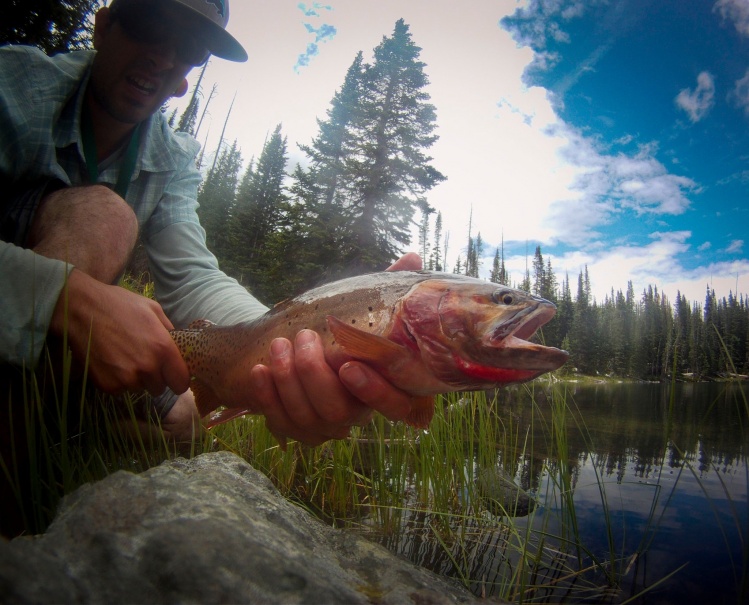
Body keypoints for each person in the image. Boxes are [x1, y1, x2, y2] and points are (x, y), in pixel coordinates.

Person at [0, 0, 419, 451]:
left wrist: (284, 341)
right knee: (103, 218)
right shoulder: (15, 85)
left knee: (182, 423)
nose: (162, 56)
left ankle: (49, 443)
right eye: (148, 25)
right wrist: (67, 297)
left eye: (189, 49)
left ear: (186, 79)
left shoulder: (172, 157)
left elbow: (190, 275)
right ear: (103, 28)